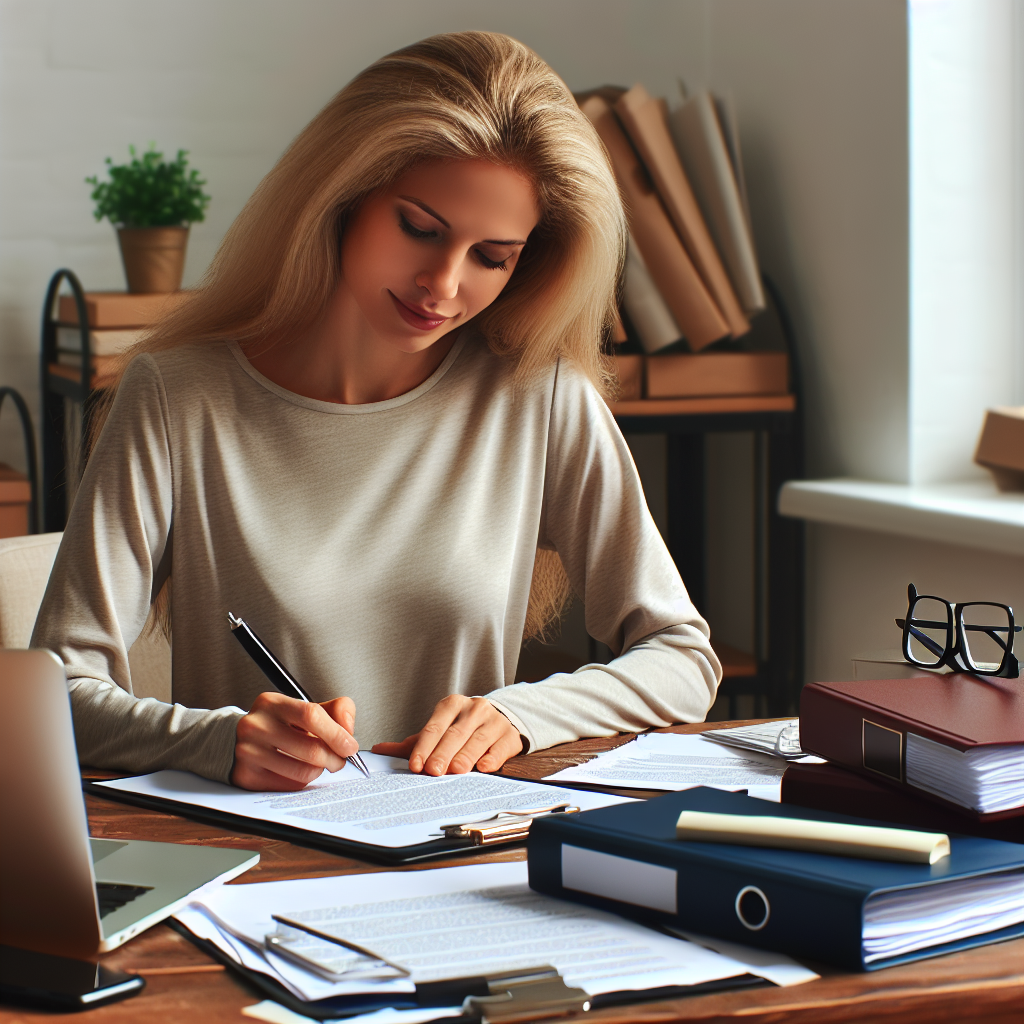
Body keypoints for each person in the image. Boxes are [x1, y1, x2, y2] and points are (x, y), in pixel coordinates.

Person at [32, 31, 721, 792]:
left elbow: (682, 657)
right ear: (344, 194)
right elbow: (55, 693)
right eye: (420, 229)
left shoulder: (540, 397)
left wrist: (523, 715)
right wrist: (216, 742)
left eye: (492, 257)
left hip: (461, 843)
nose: (443, 285)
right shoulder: (177, 396)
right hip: (252, 849)